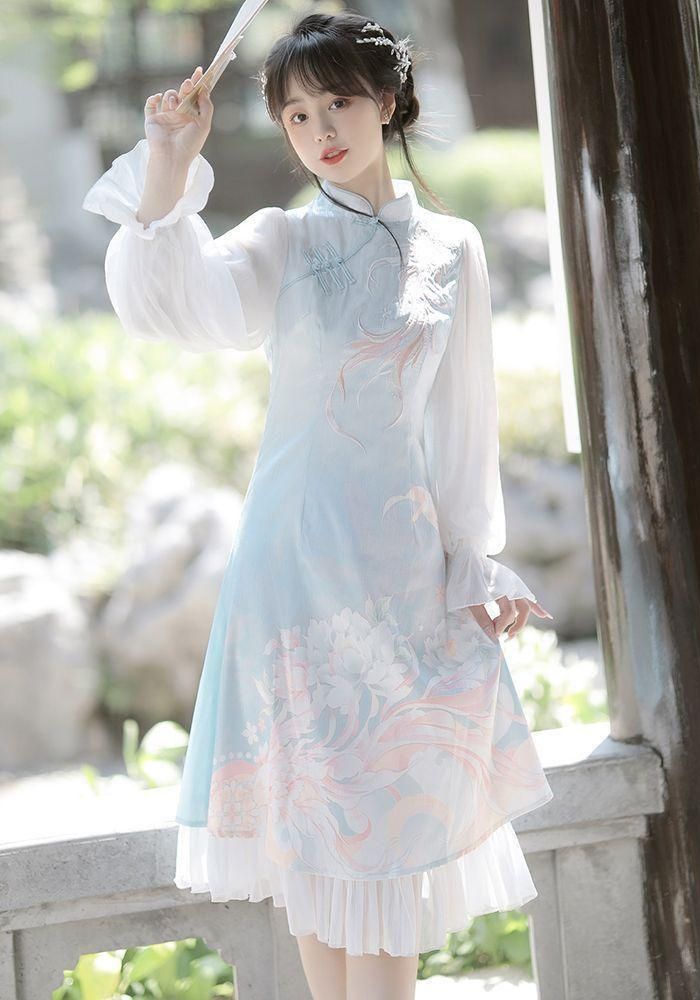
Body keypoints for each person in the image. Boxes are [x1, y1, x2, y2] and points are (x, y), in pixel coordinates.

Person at [82, 10, 554, 999]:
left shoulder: (455, 249)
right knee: (316, 844)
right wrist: (168, 161)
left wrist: (475, 559)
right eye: (296, 114)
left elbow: (462, 430)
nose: (320, 130)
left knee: (387, 841)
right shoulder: (283, 241)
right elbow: (174, 300)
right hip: (293, 573)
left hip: (402, 576)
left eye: (337, 102)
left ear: (389, 101)